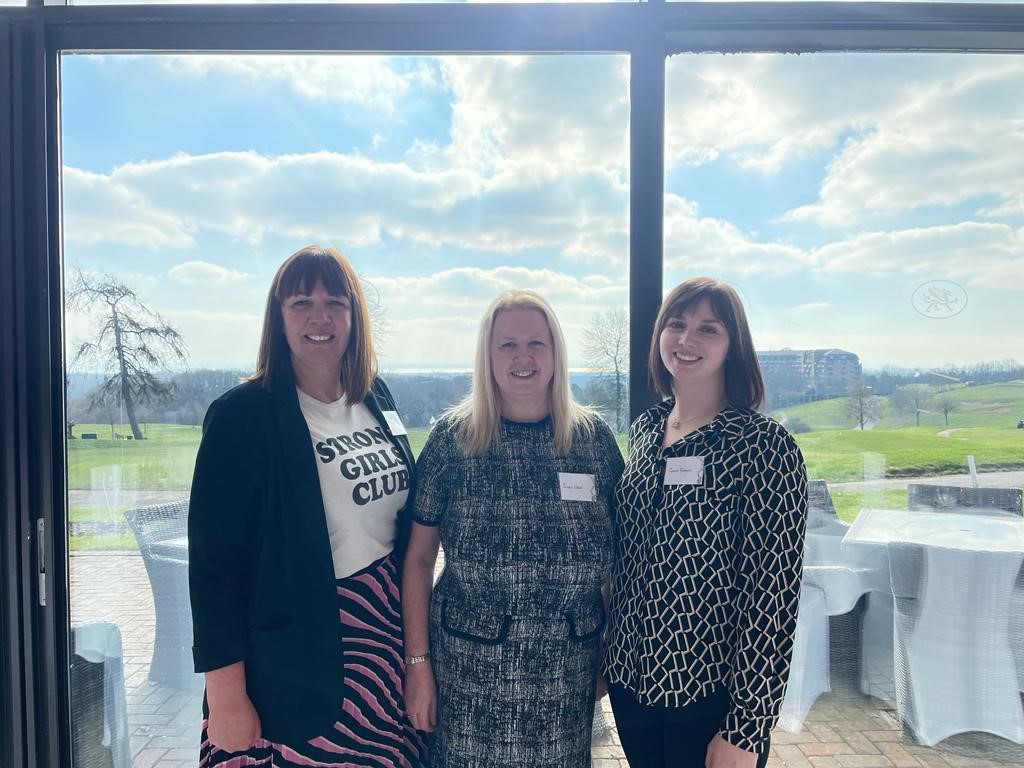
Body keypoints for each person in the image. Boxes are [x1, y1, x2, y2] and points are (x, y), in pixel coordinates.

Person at [188, 245, 427, 768]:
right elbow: (213, 568)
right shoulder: (242, 416)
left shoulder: (375, 397)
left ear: (354, 316)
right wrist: (226, 694)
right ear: (278, 318)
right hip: (291, 662)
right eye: (300, 303)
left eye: (335, 302)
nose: (319, 317)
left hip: (382, 646)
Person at [401, 289, 625, 768]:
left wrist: (608, 652)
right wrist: (417, 666)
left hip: (566, 678)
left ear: (555, 353)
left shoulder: (593, 443)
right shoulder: (452, 440)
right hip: (469, 679)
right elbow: (418, 560)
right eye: (507, 344)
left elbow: (617, 564)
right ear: (487, 355)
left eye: (536, 343)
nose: (523, 356)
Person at [603, 277, 808, 768]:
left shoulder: (763, 447)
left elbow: (772, 596)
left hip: (709, 696)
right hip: (632, 686)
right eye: (676, 324)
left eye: (708, 329)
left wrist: (748, 726)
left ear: (733, 346)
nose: (686, 340)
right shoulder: (647, 430)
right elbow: (628, 558)